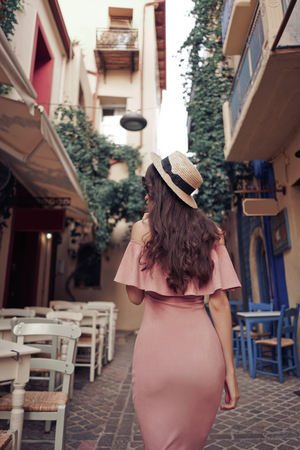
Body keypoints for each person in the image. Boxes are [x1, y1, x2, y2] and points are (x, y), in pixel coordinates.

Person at [114, 151, 241, 450]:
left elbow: (134, 297)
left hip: (157, 359)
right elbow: (220, 305)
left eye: (149, 191)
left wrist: (141, 239)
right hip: (203, 360)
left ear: (158, 193)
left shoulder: (142, 231)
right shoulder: (212, 234)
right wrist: (230, 373)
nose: (146, 197)